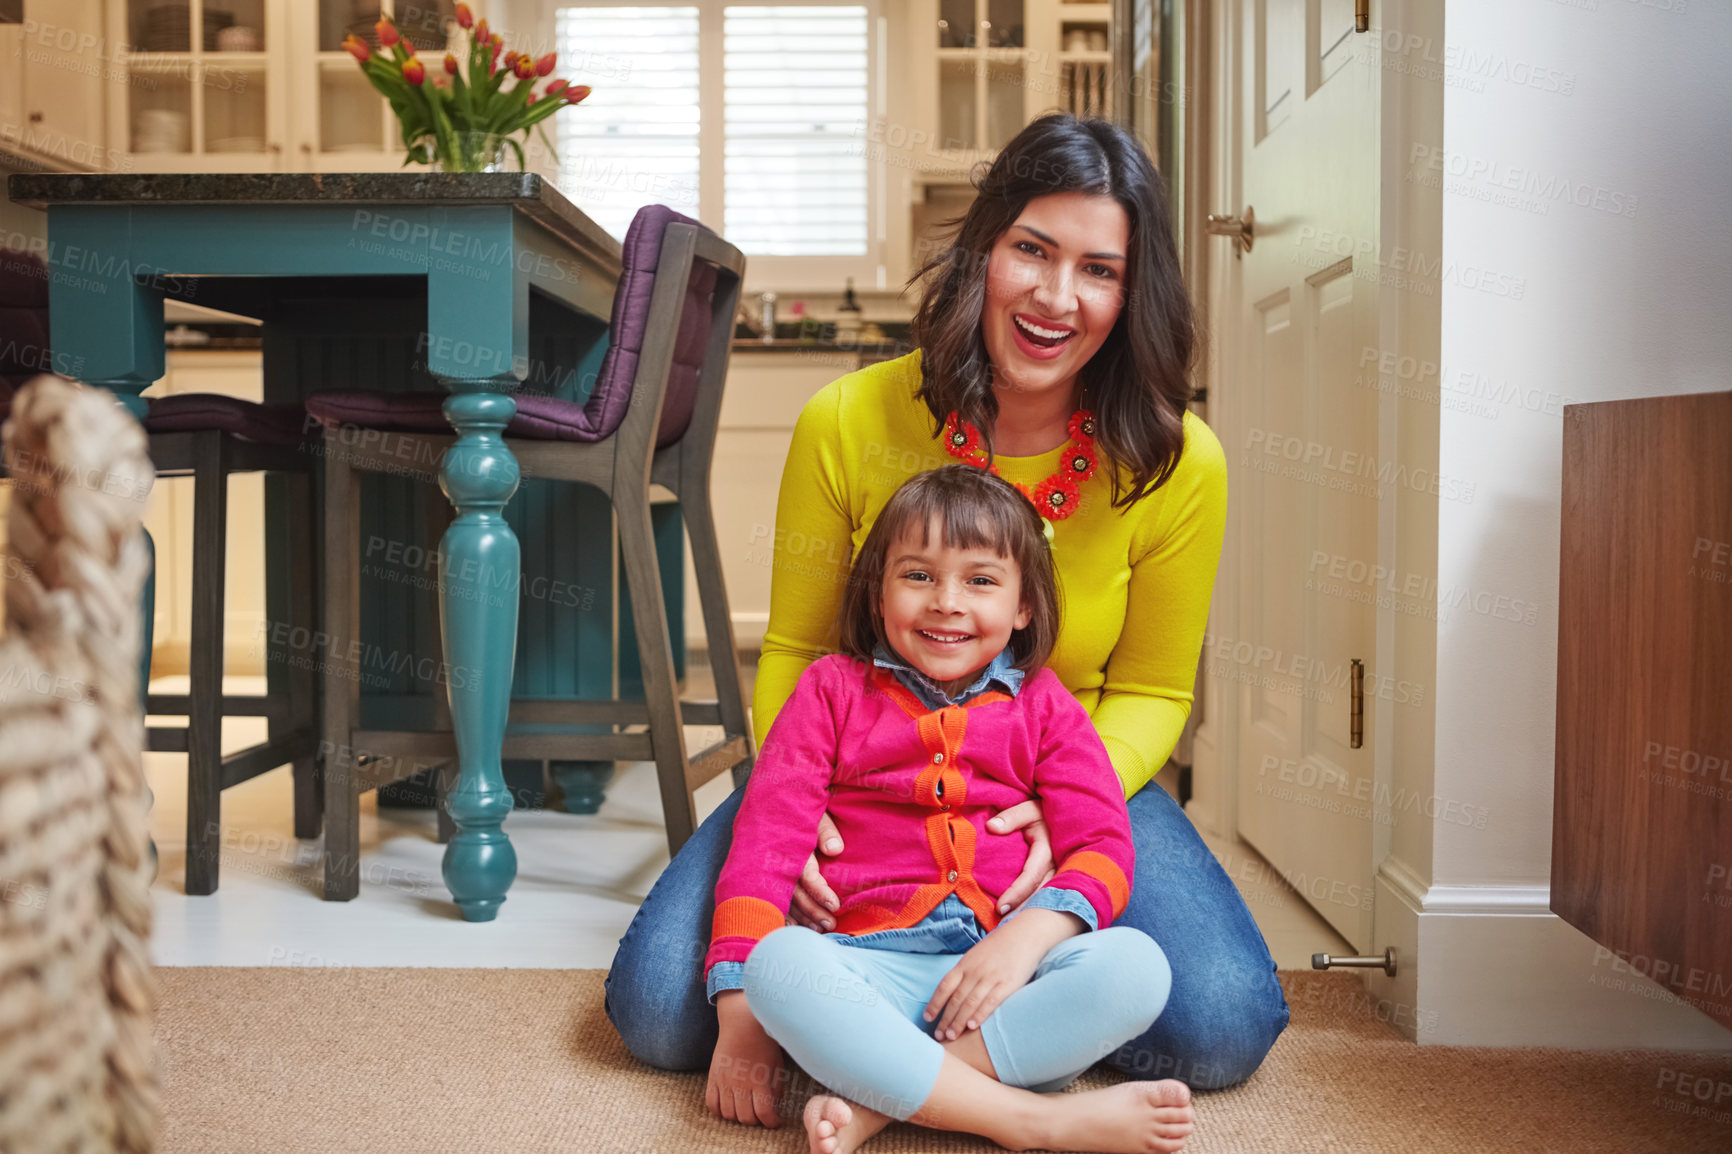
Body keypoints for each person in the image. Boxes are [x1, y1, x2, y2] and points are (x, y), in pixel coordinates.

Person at [606, 112, 1287, 1111]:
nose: (1058, 298)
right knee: (667, 1013)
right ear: (982, 252)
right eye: (1031, 251)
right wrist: (806, 810)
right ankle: (963, 1039)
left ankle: (891, 1077)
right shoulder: (847, 419)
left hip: (1071, 761)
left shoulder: (1180, 460)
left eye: (1099, 270)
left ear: (1131, 292)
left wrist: (1068, 810)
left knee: (1221, 1027)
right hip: (852, 757)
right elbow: (795, 644)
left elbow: (1150, 688)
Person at [707, 464, 1195, 1154]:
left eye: (981, 581)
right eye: (918, 576)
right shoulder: (830, 691)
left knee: (1136, 967)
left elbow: (1103, 847)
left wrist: (1025, 941)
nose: (946, 602)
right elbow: (764, 845)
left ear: (1025, 606)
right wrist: (738, 1019)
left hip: (1003, 975)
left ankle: (876, 1100)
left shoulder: (1045, 704)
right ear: (877, 593)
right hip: (862, 966)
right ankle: (1032, 1122)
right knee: (777, 965)